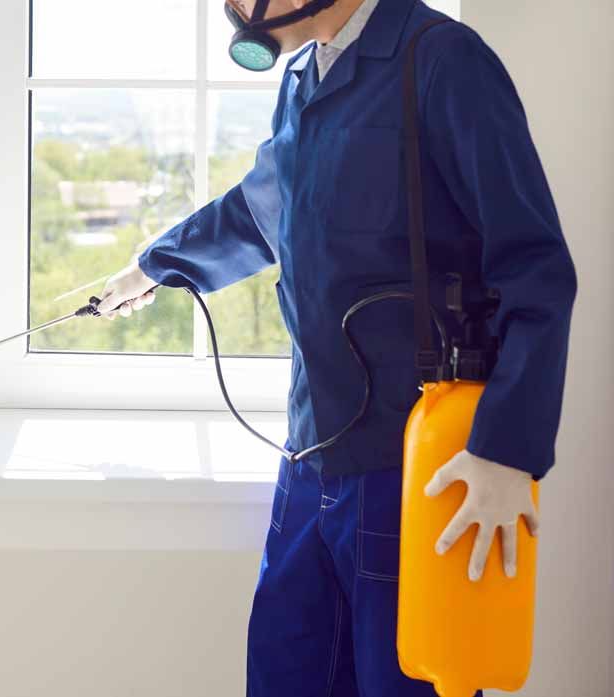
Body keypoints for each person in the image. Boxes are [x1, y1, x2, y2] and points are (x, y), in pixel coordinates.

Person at [96, 0, 577, 694]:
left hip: (409, 472)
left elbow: (534, 266)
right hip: (309, 464)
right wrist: (154, 265)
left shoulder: (442, 63)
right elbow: (261, 209)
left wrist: (507, 448)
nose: (236, 7)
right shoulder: (303, 80)